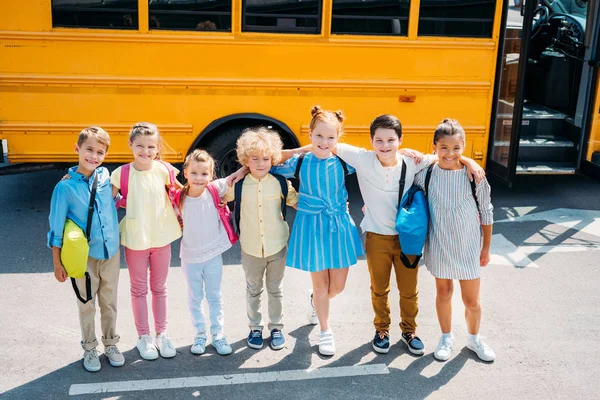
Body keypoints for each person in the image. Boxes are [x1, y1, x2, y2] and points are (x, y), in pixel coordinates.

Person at [333, 114, 484, 356]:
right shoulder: (362, 159)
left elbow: (445, 155)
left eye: (391, 140)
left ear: (400, 140)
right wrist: (284, 155)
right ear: (371, 141)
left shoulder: (412, 162)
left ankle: (409, 331)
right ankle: (381, 330)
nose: (385, 146)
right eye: (379, 140)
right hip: (376, 237)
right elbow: (327, 143)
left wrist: (469, 161)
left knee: (408, 290)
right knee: (379, 288)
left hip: (407, 239)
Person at [270, 106, 364, 356]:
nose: (324, 142)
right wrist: (300, 150)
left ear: (338, 138)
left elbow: (377, 163)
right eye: (319, 136)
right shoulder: (300, 162)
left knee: (338, 286)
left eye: (331, 137)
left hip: (338, 224)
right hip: (311, 225)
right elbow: (267, 162)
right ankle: (325, 331)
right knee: (321, 285)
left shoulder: (344, 162)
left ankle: (315, 301)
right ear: (310, 134)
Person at [414, 118, 495, 362]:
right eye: (444, 148)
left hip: (469, 246)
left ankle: (473, 339)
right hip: (440, 244)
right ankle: (446, 337)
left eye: (457, 148)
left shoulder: (475, 176)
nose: (450, 153)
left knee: (471, 301)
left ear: (464, 147)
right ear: (434, 147)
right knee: (443, 291)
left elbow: (487, 211)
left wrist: (486, 248)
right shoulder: (426, 174)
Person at [48, 126, 123, 372]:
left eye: (100, 152)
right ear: (77, 149)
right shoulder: (64, 188)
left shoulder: (105, 177)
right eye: (89, 149)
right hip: (84, 257)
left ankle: (110, 343)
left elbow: (114, 200)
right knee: (87, 303)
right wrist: (58, 263)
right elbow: (56, 230)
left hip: (111, 253)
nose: (93, 156)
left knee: (109, 302)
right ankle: (90, 348)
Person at [111, 122, 182, 360]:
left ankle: (162, 333)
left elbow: (184, 193)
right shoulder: (120, 173)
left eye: (151, 146)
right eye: (140, 145)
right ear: (130, 145)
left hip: (162, 237)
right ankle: (144, 336)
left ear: (157, 147)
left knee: (160, 288)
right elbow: (104, 202)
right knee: (138, 289)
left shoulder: (165, 169)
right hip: (135, 239)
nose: (145, 151)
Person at [223, 127, 298, 351]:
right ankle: (255, 327)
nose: (260, 163)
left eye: (266, 158)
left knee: (275, 289)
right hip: (251, 247)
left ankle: (276, 327)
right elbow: (216, 199)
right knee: (253, 289)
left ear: (273, 159)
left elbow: (298, 203)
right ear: (246, 160)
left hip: (277, 246)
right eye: (254, 159)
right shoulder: (237, 186)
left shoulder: (281, 183)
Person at [179, 149, 234, 356]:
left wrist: (249, 165)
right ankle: (200, 334)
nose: (199, 178)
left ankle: (218, 334)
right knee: (194, 297)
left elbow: (234, 177)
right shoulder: (179, 197)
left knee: (214, 296)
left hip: (212, 254)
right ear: (185, 173)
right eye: (194, 173)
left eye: (204, 174)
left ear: (211, 175)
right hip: (190, 257)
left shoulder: (214, 190)